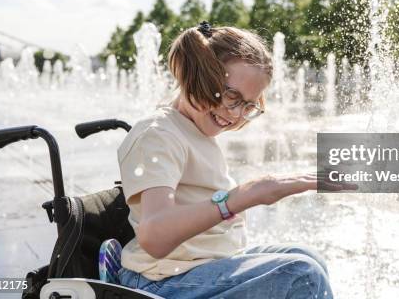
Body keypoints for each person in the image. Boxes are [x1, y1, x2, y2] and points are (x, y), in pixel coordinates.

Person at [117, 22, 349, 298]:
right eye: (231, 96)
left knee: (307, 257)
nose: (237, 114)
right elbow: (154, 236)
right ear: (198, 75)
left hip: (199, 267)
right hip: (161, 281)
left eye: (249, 105)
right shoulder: (158, 134)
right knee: (302, 274)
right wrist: (241, 198)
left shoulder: (196, 131)